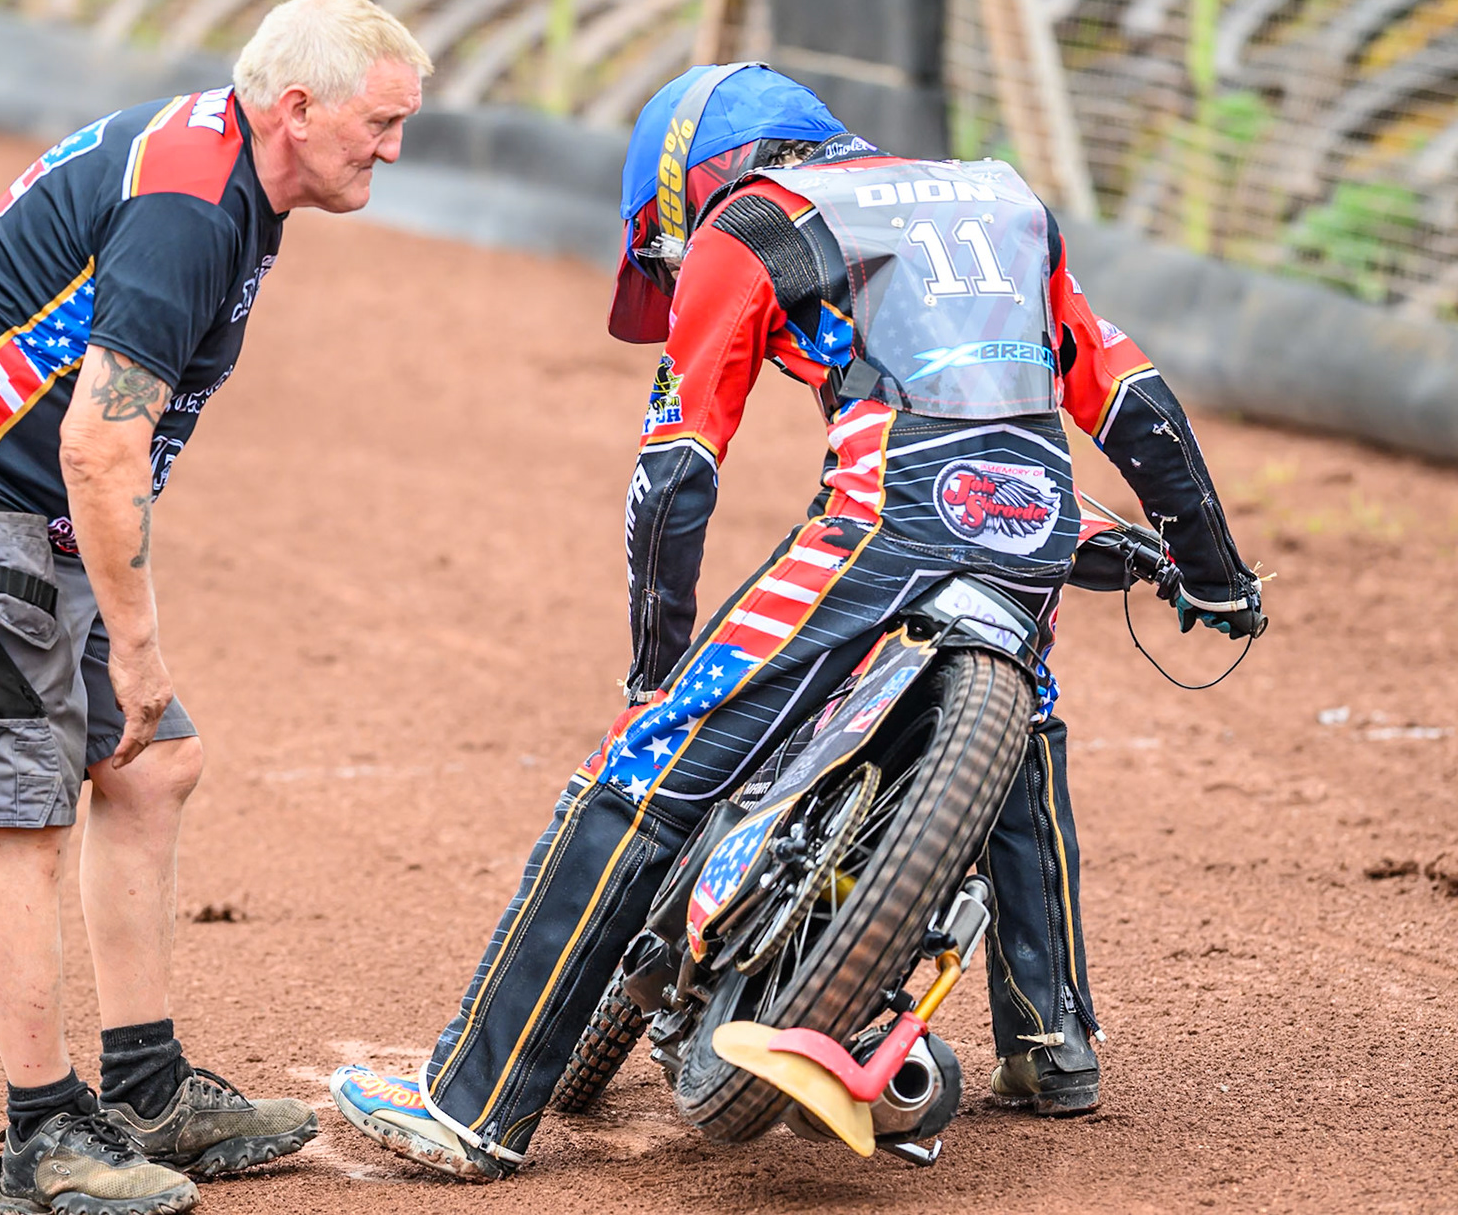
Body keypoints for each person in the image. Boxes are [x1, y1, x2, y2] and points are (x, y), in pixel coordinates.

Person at [329, 64, 1265, 1181]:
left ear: (694, 186)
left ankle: (470, 1100)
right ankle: (1052, 1042)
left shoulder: (756, 220)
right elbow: (1132, 396)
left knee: (646, 763)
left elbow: (673, 476)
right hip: (1038, 507)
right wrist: (1215, 571)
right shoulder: (1002, 201)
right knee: (1028, 717)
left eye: (665, 258)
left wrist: (653, 668)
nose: (676, 276)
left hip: (892, 507)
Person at [0, 0, 430, 1215]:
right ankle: (40, 1138)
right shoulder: (191, 213)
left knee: (150, 766)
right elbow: (106, 450)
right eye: (381, 120)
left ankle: (147, 1088)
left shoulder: (228, 173)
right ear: (295, 107)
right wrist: (139, 644)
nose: (395, 147)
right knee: (24, 808)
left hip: (21, 489)